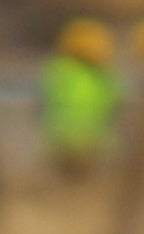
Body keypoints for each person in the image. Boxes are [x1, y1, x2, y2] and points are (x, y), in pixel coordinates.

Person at [43, 16, 124, 173]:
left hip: (88, 141)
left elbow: (116, 104)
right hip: (68, 141)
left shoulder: (61, 70)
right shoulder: (64, 70)